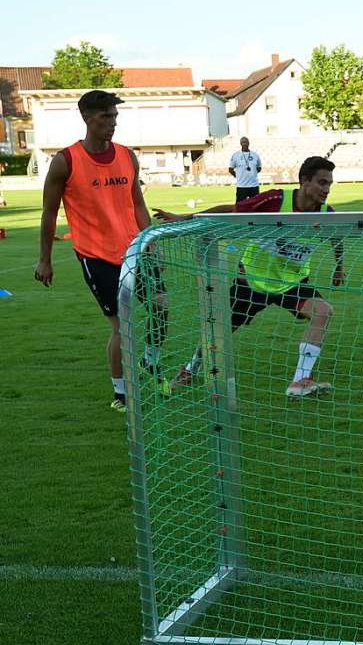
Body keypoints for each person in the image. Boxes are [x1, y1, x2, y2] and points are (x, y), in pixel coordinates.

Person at [154, 156, 343, 398]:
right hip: (252, 280)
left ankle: (300, 381)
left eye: (329, 184)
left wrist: (339, 265)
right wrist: (184, 218)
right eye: (322, 183)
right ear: (304, 181)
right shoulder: (276, 199)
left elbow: (338, 237)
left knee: (323, 312)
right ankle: (190, 369)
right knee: (221, 329)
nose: (327, 190)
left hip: (291, 283)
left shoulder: (328, 214)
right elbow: (230, 212)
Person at [34, 90, 166, 413]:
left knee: (162, 309)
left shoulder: (126, 155)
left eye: (115, 116)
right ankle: (121, 393)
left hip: (135, 250)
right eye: (106, 116)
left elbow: (137, 202)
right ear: (86, 118)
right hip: (97, 255)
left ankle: (149, 362)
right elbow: (50, 213)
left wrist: (149, 239)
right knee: (122, 326)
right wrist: (45, 259)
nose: (113, 122)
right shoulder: (66, 161)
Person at [229, 137, 262, 203]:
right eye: (243, 142)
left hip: (254, 185)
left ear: (249, 143)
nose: (245, 144)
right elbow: (230, 169)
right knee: (239, 207)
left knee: (256, 206)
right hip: (241, 186)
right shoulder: (236, 155)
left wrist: (253, 173)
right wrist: (237, 176)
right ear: (240, 144)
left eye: (246, 142)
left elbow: (259, 167)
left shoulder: (255, 155)